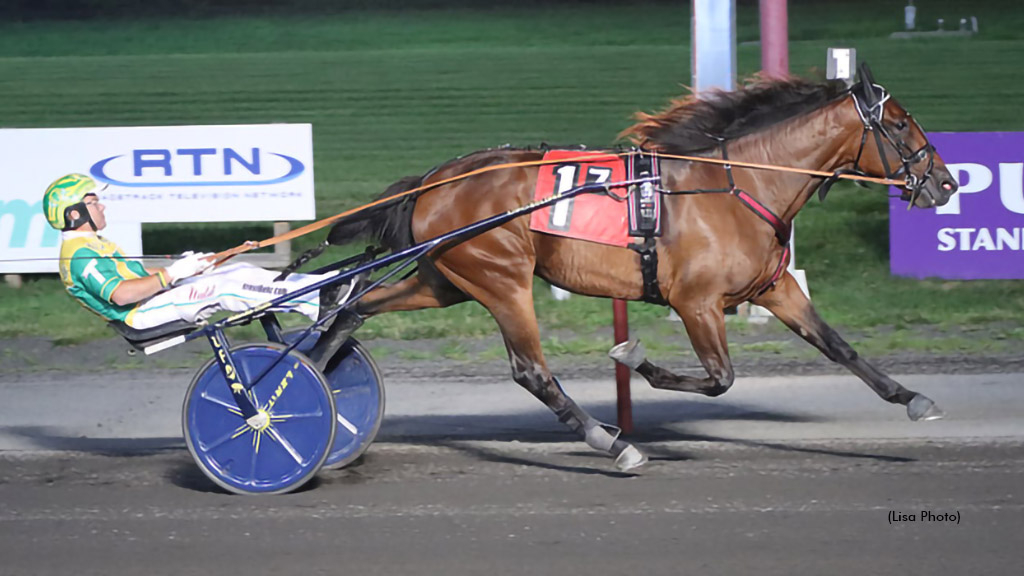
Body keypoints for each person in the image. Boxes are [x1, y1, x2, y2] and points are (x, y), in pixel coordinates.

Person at [42, 173, 350, 330]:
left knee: (235, 271)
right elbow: (122, 295)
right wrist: (173, 274)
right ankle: (315, 303)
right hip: (139, 316)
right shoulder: (79, 255)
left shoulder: (95, 244)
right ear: (74, 214)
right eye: (93, 202)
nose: (102, 205)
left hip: (150, 300)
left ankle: (319, 288)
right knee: (226, 288)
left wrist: (193, 267)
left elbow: (138, 277)